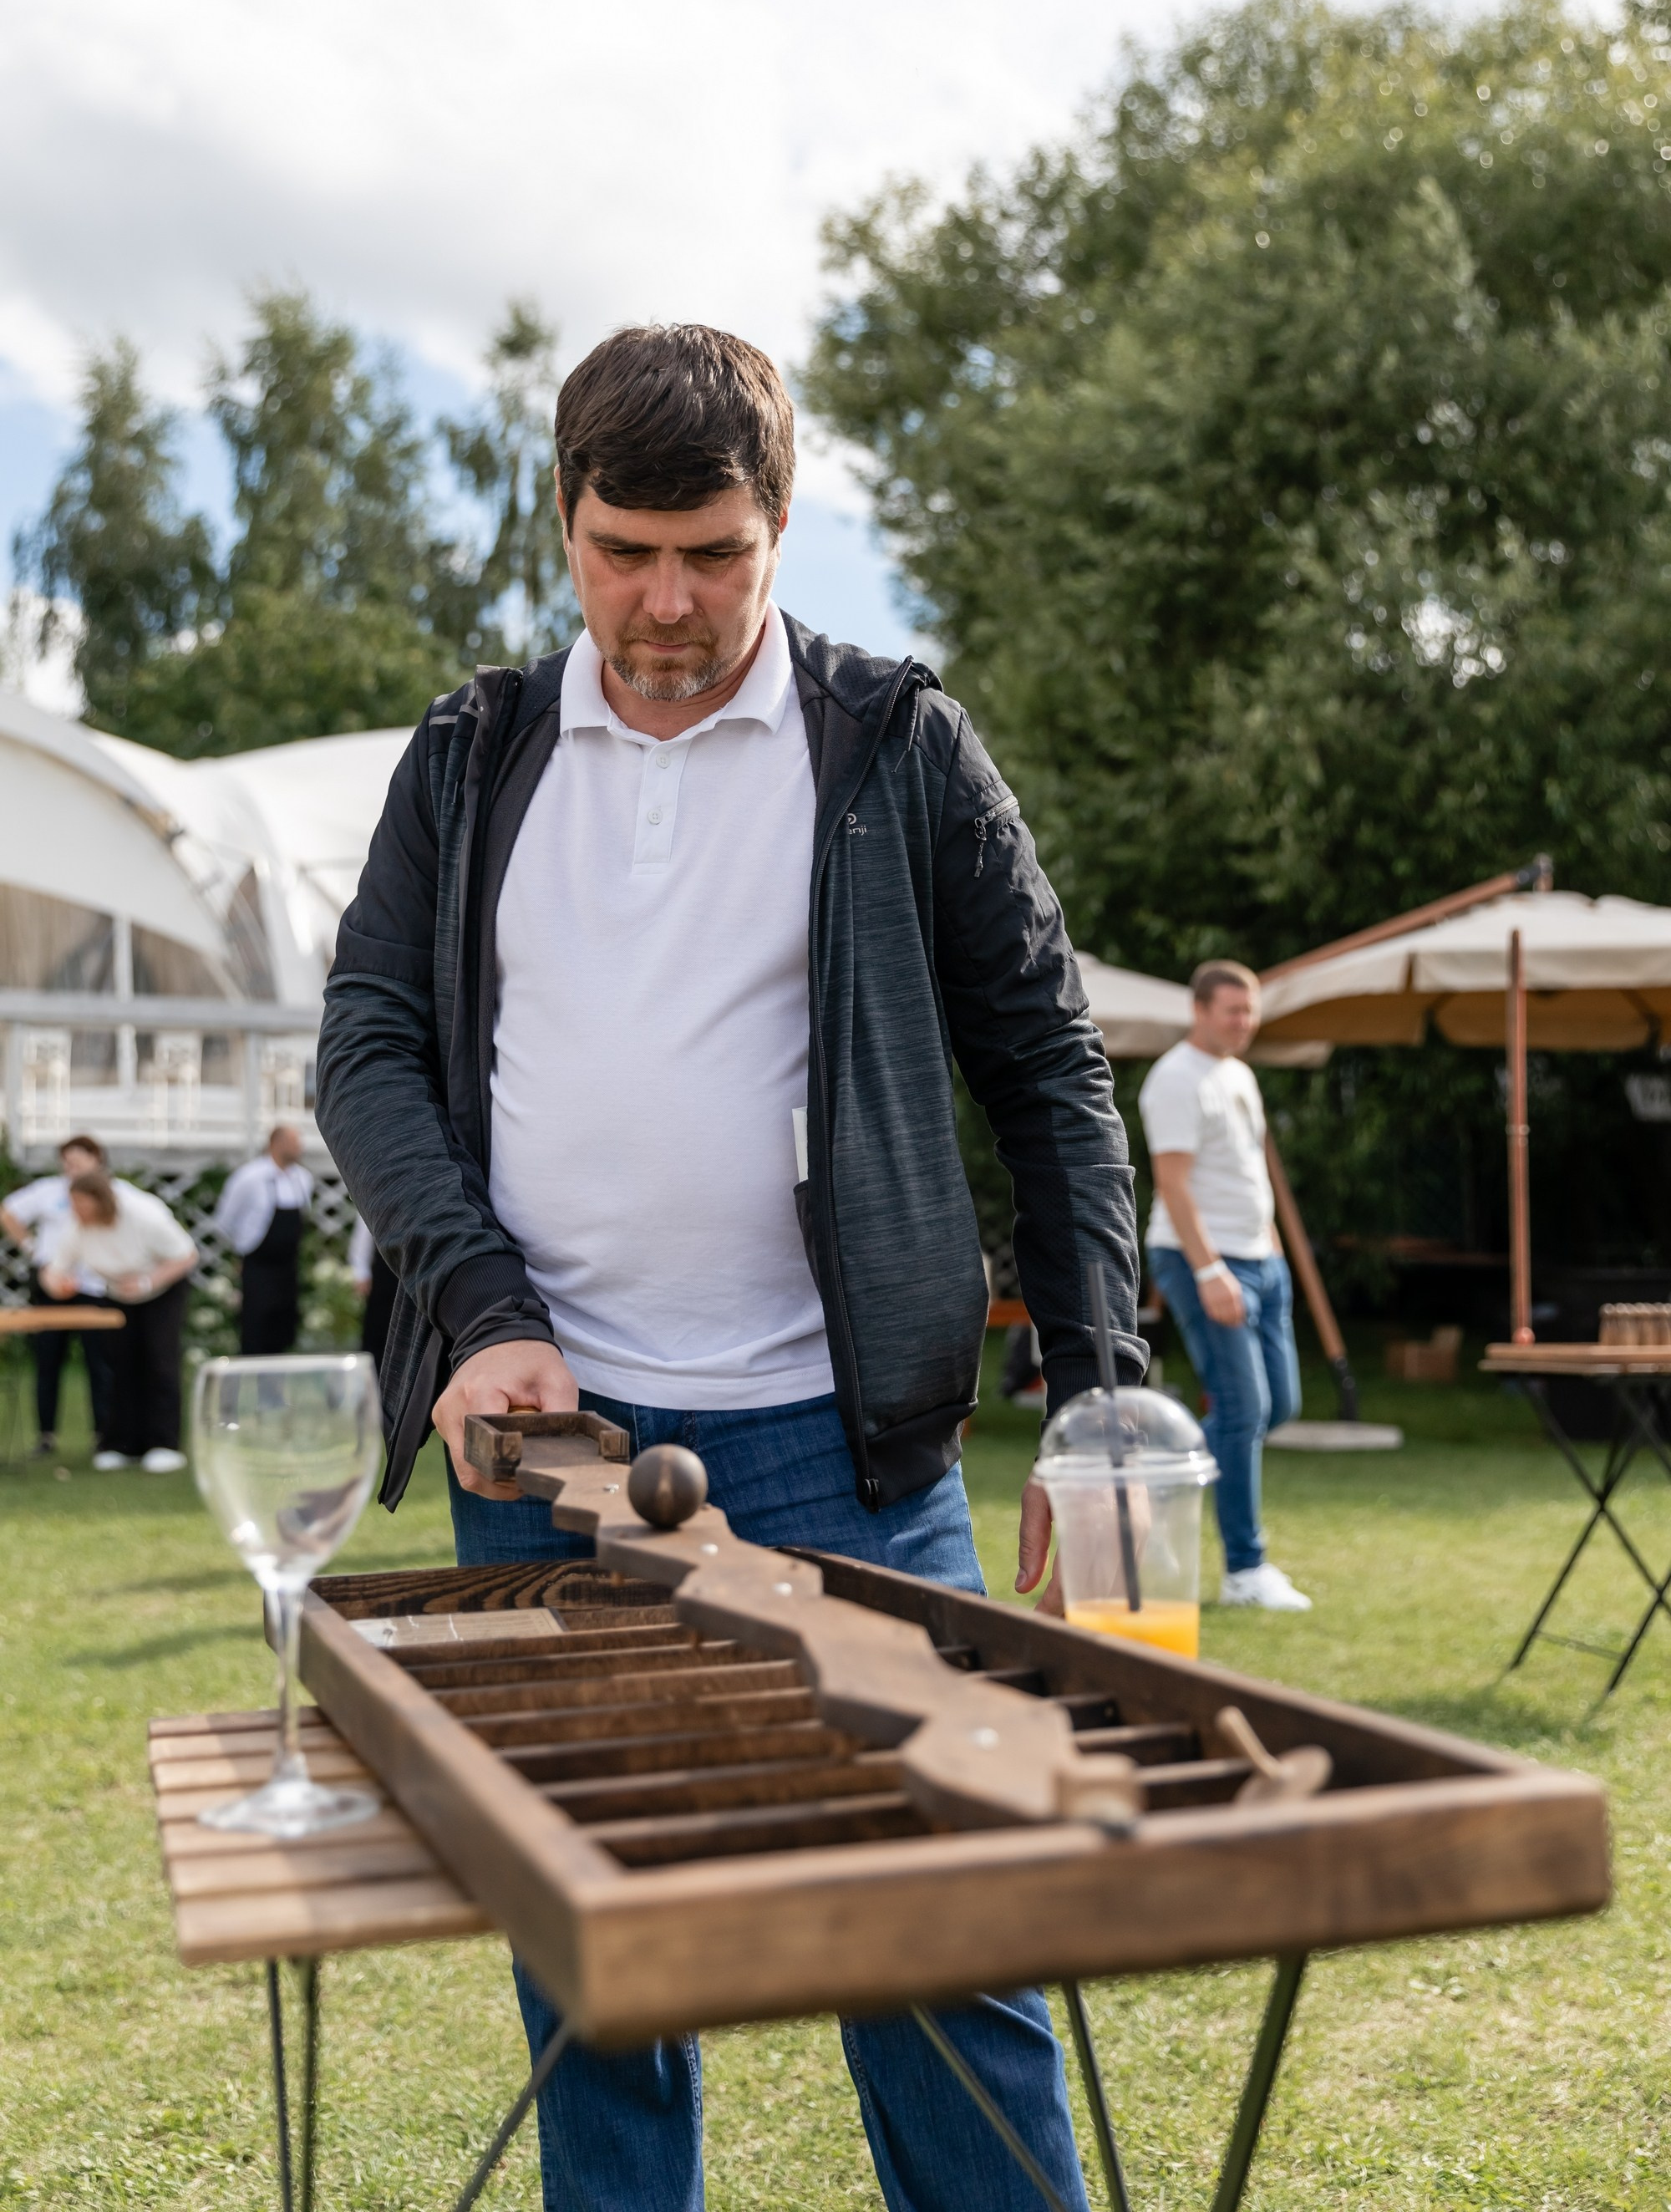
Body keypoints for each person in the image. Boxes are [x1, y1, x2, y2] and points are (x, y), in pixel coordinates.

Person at [317, 321, 1145, 2212]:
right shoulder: (468, 751)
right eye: (624, 553)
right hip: (548, 1449)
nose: (668, 604)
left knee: (942, 1942)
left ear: (782, 521)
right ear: (564, 522)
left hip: (845, 1444)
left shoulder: (896, 740)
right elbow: (365, 1045)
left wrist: (1099, 1384)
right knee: (596, 1966)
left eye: (714, 553)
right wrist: (479, 1311)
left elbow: (1049, 1062)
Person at [1140, 959, 1310, 1611]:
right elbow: (1173, 1183)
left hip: (1262, 1260)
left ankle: (1163, 1477)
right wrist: (1210, 1270)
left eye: (1251, 1011)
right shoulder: (1175, 1079)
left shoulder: (1238, 1074)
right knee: (1242, 1411)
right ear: (1200, 1010)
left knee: (1279, 1405)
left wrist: (1273, 1254)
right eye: (1232, 1011)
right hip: (1203, 1261)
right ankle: (1246, 1570)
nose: (1245, 1022)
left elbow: (1247, 1175)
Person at [43, 1171, 198, 1473]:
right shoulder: (77, 1226)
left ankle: (163, 1443)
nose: (77, 1211)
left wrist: (147, 1283)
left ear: (100, 1201)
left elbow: (186, 1256)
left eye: (82, 1204)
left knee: (159, 1362)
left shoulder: (143, 1215)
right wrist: (57, 1285)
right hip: (116, 1295)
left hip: (162, 1292)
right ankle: (121, 1444)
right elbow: (55, 1269)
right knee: (119, 1365)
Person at [1, 1133, 126, 1456]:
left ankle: (104, 1433)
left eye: (78, 1161)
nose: (71, 1168)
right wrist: (32, 1249)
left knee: (100, 1361)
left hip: (94, 1284)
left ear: (97, 1160)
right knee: (48, 1359)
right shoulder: (49, 1191)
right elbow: (8, 1211)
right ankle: (46, 1434)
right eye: (67, 1162)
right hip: (52, 1283)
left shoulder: (113, 1193)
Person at [214, 1126, 313, 1355]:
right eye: (294, 1142)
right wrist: (242, 1247)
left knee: (283, 1329)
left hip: (288, 1266)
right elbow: (224, 1221)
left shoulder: (303, 1179)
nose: (299, 1147)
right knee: (256, 1327)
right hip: (258, 1265)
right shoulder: (249, 1177)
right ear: (275, 1143)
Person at [348, 1213, 399, 1370]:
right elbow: (364, 1225)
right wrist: (361, 1270)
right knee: (378, 1330)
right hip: (385, 1273)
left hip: (420, 1270)